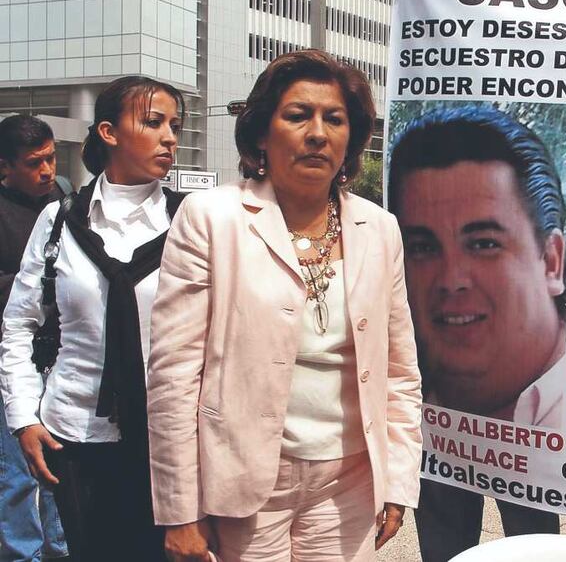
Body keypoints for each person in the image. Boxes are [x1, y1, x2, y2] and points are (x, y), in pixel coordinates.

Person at [146, 49, 422, 562]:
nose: (317, 133)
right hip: (245, 477)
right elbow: (173, 377)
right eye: (298, 115)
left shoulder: (379, 228)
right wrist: (180, 510)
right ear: (261, 134)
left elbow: (400, 371)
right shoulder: (211, 218)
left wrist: (399, 480)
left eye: (334, 119)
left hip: (350, 479)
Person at [0, 76, 187, 561]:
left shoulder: (190, 221)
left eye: (175, 125)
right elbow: (19, 323)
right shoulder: (60, 220)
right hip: (75, 435)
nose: (169, 137)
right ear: (108, 132)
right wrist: (23, 418)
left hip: (169, 438)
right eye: (153, 122)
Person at [387, 106, 566, 561]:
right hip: (437, 447)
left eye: (484, 243)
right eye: (422, 247)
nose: (452, 280)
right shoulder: (418, 395)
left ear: (551, 261)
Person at [0, 114, 69, 561]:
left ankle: (61, 547)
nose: (46, 170)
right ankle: (21, 554)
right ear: (5, 167)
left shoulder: (62, 201)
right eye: (33, 163)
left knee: (58, 462)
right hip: (12, 358)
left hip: (59, 355)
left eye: (51, 158)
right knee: (16, 472)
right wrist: (39, 281)